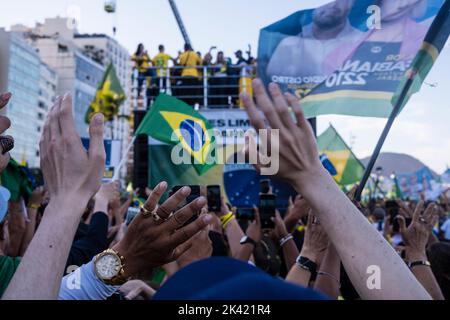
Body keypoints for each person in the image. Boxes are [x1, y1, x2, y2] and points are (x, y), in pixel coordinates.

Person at [266, 0, 362, 95]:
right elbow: (273, 86)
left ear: (352, 3)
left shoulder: (363, 41)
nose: (332, 4)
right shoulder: (288, 45)